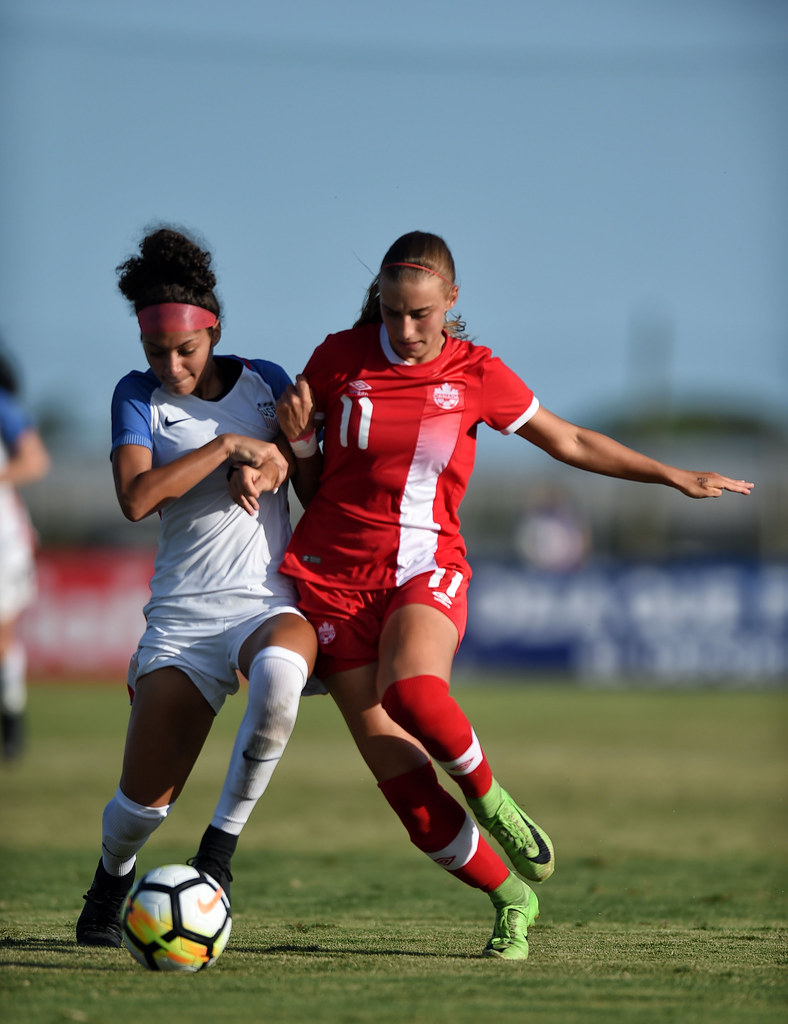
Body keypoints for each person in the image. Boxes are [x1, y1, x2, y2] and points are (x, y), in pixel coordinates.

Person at [237, 229, 753, 961]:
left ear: (452, 301)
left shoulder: (475, 372)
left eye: (421, 314)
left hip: (423, 565)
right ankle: (512, 901)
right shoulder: (335, 358)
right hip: (329, 584)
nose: (406, 330)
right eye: (391, 314)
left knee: (415, 691)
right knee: (413, 805)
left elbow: (568, 441)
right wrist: (288, 455)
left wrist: (672, 475)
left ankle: (492, 797)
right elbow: (308, 480)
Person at [76, 227, 320, 947]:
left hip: (266, 603)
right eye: (158, 352)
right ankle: (107, 886)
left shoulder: (266, 381)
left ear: (214, 331)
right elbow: (136, 497)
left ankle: (216, 859)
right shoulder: (136, 396)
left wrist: (278, 458)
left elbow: (309, 481)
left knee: (280, 677)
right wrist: (225, 448)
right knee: (139, 809)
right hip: (183, 621)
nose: (173, 365)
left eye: (187, 349)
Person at [0, 346, 50, 760]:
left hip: (3, 540)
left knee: (2, 632)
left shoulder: (4, 407)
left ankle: (12, 715)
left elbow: (35, 460)